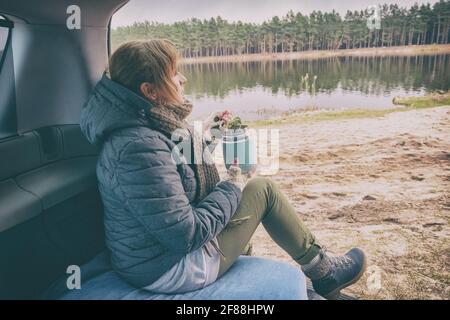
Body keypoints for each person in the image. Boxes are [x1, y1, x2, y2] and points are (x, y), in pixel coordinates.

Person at [80, 39, 366, 299]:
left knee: (235, 202)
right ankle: (323, 272)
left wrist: (209, 135)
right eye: (173, 75)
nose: (183, 79)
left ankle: (290, 272)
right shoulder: (136, 147)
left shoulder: (142, 126)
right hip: (168, 269)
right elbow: (186, 235)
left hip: (150, 257)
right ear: (150, 91)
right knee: (261, 190)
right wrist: (233, 182)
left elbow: (175, 169)